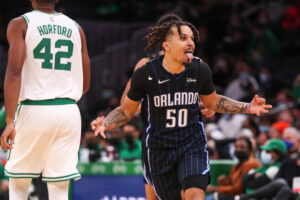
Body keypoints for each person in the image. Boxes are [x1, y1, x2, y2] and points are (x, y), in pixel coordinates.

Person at [91, 20, 271, 200]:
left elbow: (213, 102)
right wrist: (106, 122)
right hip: (159, 148)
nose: (190, 42)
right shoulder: (146, 72)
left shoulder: (200, 69)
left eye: (192, 38)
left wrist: (248, 107)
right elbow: (126, 111)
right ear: (166, 45)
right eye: (183, 38)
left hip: (191, 143)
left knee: (195, 195)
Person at [0, 0, 90, 199]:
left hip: (34, 108)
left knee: (19, 182)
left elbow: (14, 71)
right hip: (68, 111)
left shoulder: (20, 23)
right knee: (59, 186)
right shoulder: (76, 28)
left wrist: (9, 121)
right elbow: (85, 85)